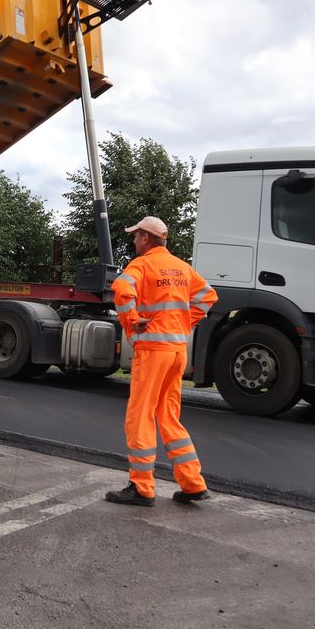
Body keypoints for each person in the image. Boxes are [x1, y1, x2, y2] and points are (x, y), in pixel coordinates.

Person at [105, 216, 218, 507]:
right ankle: (192, 483)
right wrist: (183, 323)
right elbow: (208, 296)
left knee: (140, 415)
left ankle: (142, 488)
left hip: (153, 350)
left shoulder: (141, 265)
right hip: (177, 351)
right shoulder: (182, 267)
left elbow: (121, 289)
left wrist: (132, 322)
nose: (133, 240)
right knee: (168, 415)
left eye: (135, 236)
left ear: (145, 238)